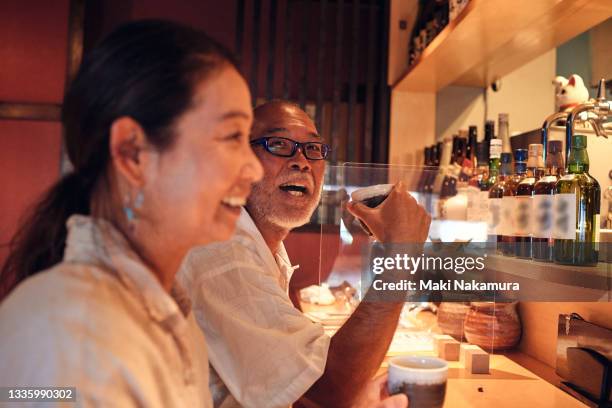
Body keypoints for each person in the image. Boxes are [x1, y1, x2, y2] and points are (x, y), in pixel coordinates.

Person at [0, 20, 262, 407]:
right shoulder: (73, 337)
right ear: (132, 153)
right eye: (232, 137)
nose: (254, 169)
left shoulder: (164, 306)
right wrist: (389, 252)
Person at [179, 100, 430, 407]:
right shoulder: (222, 252)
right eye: (279, 144)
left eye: (313, 149)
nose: (301, 161)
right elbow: (326, 391)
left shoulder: (264, 244)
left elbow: (296, 389)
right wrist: (401, 255)